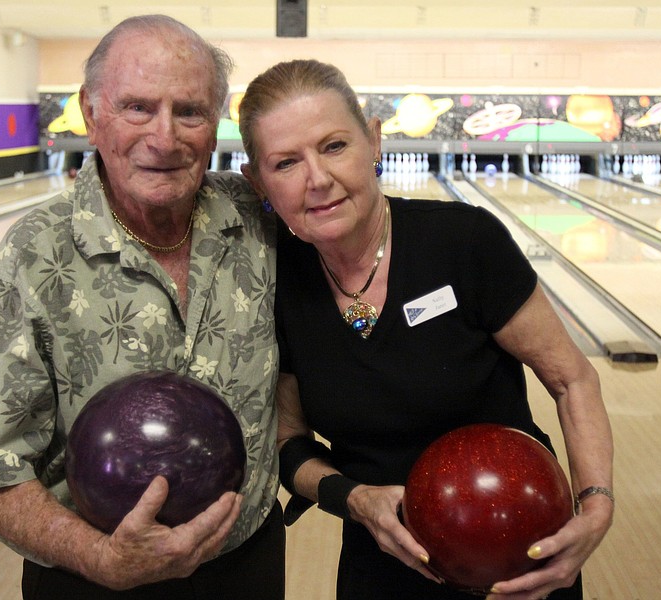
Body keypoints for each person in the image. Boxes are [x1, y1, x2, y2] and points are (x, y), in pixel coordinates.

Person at [238, 59, 614, 600]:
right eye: (286, 162)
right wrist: (354, 498)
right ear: (258, 181)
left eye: (335, 146)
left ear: (374, 141)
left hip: (516, 549)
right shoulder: (277, 282)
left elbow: (571, 380)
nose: (317, 179)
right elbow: (288, 444)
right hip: (381, 562)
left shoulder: (464, 243)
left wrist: (596, 505)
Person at [0, 15, 283, 600]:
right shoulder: (35, 253)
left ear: (217, 124)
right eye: (137, 108)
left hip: (246, 566)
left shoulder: (259, 219)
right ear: (90, 111)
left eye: (190, 111)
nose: (165, 138)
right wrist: (99, 557)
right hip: (90, 576)